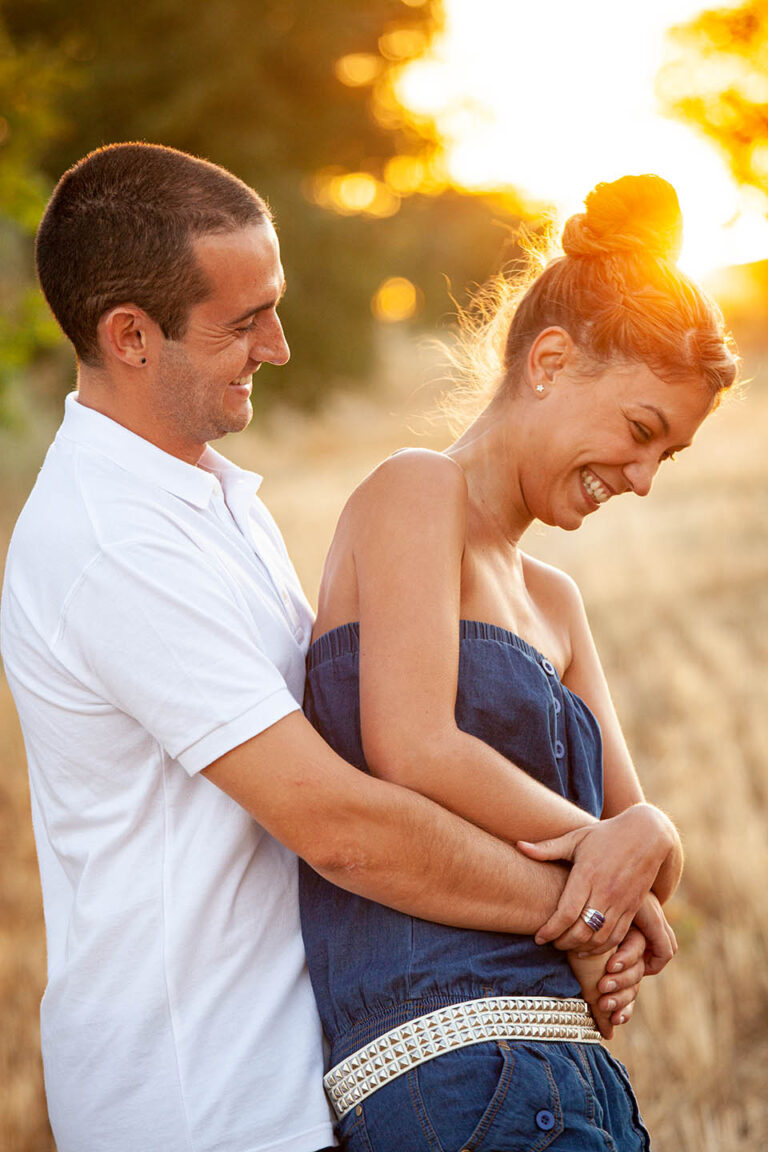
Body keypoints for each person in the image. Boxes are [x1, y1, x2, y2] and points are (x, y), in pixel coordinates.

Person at [0, 144, 659, 1152]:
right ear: (130, 336)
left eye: (276, 304)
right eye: (243, 320)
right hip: (203, 1103)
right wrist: (586, 909)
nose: (279, 345)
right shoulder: (110, 541)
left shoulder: (214, 505)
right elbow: (340, 824)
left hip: (303, 1077)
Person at [298, 174, 738, 1150]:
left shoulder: (558, 604)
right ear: (549, 361)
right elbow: (414, 744)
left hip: (576, 1073)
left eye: (667, 458)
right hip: (449, 1067)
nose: (643, 480)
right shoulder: (415, 493)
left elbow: (641, 851)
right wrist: (611, 864)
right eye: (640, 431)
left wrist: (649, 836)